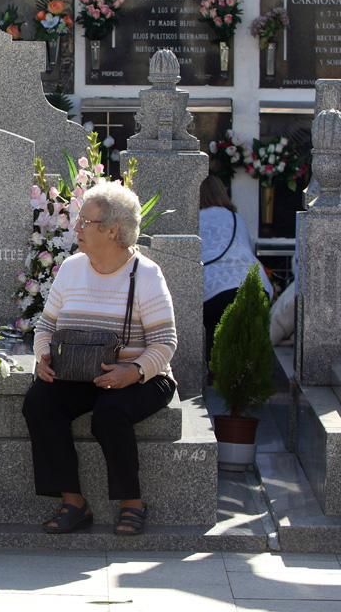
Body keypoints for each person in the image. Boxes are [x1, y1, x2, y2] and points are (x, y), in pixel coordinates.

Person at [22, 182, 178, 536]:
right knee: (39, 402)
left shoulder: (147, 276)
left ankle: (132, 503)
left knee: (110, 413)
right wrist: (43, 356)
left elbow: (165, 342)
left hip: (143, 378)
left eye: (84, 222)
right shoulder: (73, 268)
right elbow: (46, 325)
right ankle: (73, 502)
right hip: (77, 373)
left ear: (112, 231)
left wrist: (133, 372)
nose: (76, 228)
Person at [200, 176, 272, 369]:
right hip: (254, 285)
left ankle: (217, 372)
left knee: (215, 340)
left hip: (213, 291)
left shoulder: (194, 219)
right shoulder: (235, 218)